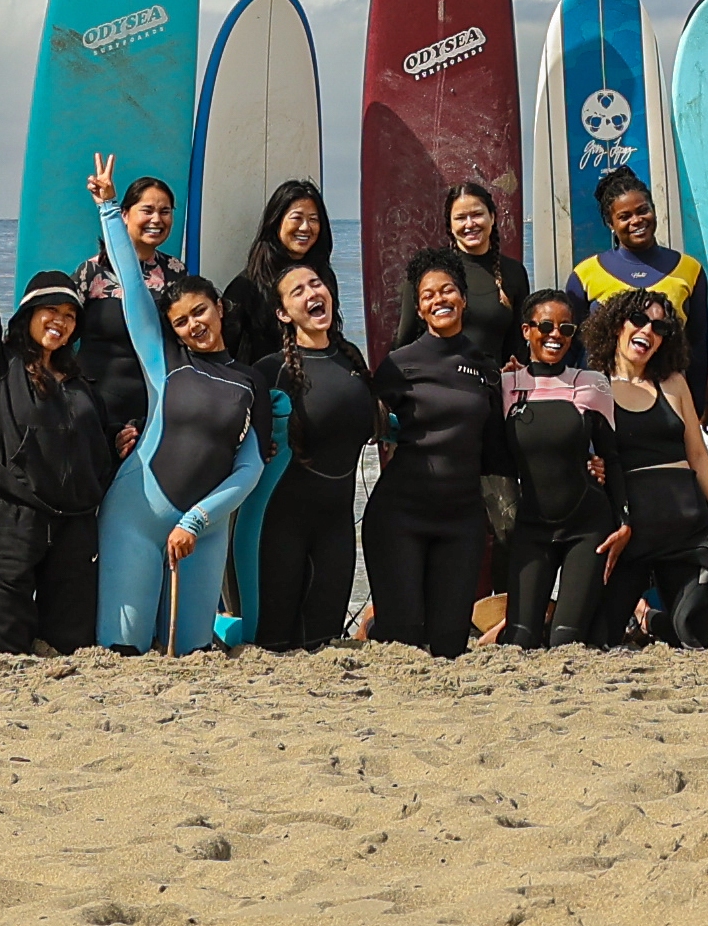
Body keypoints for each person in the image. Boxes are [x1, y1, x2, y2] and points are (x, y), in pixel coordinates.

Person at [86, 158, 265, 654]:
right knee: (126, 648)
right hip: (137, 517)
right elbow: (133, 292)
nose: (194, 325)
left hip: (203, 530)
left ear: (219, 308)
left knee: (190, 651)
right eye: (182, 321)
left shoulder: (246, 383)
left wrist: (196, 520)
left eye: (200, 311)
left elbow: (248, 469)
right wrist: (106, 207)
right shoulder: (164, 364)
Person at [0, 179, 113, 654]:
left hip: (77, 527)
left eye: (70, 315)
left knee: (68, 643)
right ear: (28, 314)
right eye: (49, 311)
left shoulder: (81, 384)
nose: (60, 321)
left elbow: (95, 446)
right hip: (15, 517)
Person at [585, 294, 708, 647]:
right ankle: (644, 615)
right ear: (616, 325)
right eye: (638, 319)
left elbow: (699, 456)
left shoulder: (673, 382)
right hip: (630, 536)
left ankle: (653, 622)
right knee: (597, 638)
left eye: (660, 326)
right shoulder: (594, 385)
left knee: (697, 636)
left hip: (686, 533)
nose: (648, 330)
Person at [363, 255, 499, 657]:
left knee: (449, 646)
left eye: (447, 290)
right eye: (428, 295)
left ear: (462, 298)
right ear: (419, 308)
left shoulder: (485, 367)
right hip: (400, 515)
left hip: (462, 521)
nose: (439, 299)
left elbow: (497, 448)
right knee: (402, 638)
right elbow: (360, 422)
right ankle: (375, 625)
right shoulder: (399, 364)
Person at [249, 256, 372, 648]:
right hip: (278, 522)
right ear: (283, 314)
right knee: (274, 641)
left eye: (316, 283)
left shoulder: (351, 359)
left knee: (323, 639)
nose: (311, 293)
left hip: (337, 524)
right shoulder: (270, 371)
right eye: (297, 291)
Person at [495, 289, 617, 648]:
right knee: (519, 640)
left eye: (566, 328)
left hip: (587, 527)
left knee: (567, 641)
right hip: (531, 528)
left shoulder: (593, 383)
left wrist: (624, 522)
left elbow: (613, 457)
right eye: (545, 326)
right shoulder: (504, 386)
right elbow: (490, 455)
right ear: (526, 330)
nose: (556, 335)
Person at [573, 171, 708, 393]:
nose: (636, 221)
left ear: (653, 210)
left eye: (642, 211)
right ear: (611, 223)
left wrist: (697, 402)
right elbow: (574, 348)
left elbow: (697, 345)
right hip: (603, 398)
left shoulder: (689, 270)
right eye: (624, 216)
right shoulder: (585, 274)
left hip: (668, 397)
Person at [76, 171, 186, 447]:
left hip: (152, 406)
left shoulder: (175, 272)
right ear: (123, 215)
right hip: (95, 403)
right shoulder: (92, 272)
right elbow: (60, 329)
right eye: (147, 210)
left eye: (165, 212)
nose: (157, 220)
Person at [213, 181, 338, 368]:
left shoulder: (323, 277)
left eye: (313, 219)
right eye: (297, 218)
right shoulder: (247, 286)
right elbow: (223, 353)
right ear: (276, 222)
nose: (305, 227)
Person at [436, 181, 526, 367]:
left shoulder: (513, 272)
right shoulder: (433, 271)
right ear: (450, 225)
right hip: (440, 386)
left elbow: (517, 343)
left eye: (477, 214)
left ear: (492, 218)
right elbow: (406, 338)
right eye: (461, 218)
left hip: (492, 386)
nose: (470, 224)